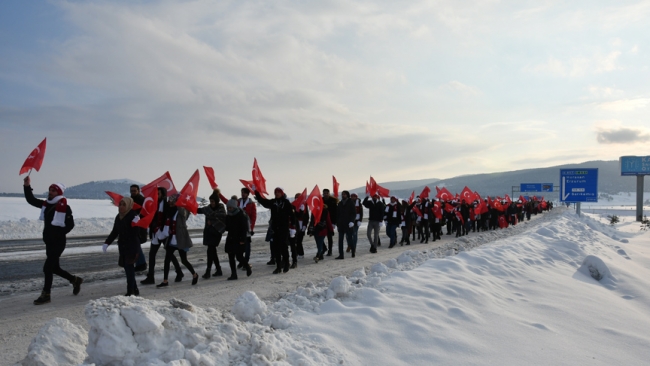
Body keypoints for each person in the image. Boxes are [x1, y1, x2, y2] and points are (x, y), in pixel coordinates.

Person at [23, 176, 82, 305]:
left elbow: (70, 225)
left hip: (58, 242)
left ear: (59, 192)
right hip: (49, 242)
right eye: (50, 190)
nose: (50, 192)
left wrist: (58, 233)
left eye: (53, 191)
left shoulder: (64, 206)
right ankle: (75, 280)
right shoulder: (46, 204)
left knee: (47, 268)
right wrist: (27, 186)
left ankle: (46, 294)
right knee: (54, 268)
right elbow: (31, 200)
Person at [140, 187, 181, 285]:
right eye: (156, 193)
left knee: (169, 255)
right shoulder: (152, 204)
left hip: (164, 232)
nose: (157, 195)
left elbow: (170, 214)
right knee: (152, 255)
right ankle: (151, 277)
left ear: (163, 194)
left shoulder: (166, 204)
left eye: (159, 193)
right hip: (155, 233)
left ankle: (179, 272)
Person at [156, 195, 199, 287]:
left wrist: (179, 204)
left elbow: (183, 213)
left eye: (172, 201)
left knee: (184, 260)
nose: (170, 203)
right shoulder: (170, 212)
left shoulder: (183, 211)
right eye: (169, 201)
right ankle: (165, 281)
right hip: (172, 239)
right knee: (167, 260)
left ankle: (194, 275)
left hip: (181, 240)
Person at [102, 197, 142, 296]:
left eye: (124, 205)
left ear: (129, 205)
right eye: (120, 204)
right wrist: (107, 242)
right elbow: (115, 231)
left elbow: (136, 233)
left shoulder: (133, 215)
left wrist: (137, 224)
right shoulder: (119, 216)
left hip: (132, 246)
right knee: (128, 269)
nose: (121, 207)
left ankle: (130, 291)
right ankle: (135, 289)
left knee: (129, 269)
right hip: (123, 246)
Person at [255, 187, 296, 274]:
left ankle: (286, 263)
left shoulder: (286, 202)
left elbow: (292, 215)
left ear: (282, 193)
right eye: (275, 192)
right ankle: (278, 267)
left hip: (283, 228)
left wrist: (293, 226)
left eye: (278, 192)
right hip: (275, 228)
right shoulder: (273, 202)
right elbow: (263, 202)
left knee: (283, 247)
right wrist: (256, 192)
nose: (277, 194)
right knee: (276, 248)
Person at [196, 189, 226, 279]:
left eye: (213, 201)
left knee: (210, 251)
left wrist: (212, 223)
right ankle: (218, 269)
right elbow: (199, 210)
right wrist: (189, 206)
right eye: (210, 201)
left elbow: (223, 219)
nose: (211, 203)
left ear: (217, 201)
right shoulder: (208, 209)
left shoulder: (221, 209)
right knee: (212, 251)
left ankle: (208, 271)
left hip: (217, 232)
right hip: (209, 232)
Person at [224, 199, 252, 280]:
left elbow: (244, 228)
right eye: (228, 208)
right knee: (231, 256)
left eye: (230, 208)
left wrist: (243, 239)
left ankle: (247, 266)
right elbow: (227, 227)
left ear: (234, 207)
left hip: (239, 239)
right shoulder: (228, 216)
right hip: (231, 238)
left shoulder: (241, 215)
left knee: (239, 257)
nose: (229, 209)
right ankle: (234, 274)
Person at [129, 184, 148, 272]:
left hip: (140, 227)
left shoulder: (143, 200)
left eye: (134, 191)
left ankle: (142, 263)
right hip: (132, 226)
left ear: (138, 191)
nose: (133, 192)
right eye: (131, 191)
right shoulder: (130, 200)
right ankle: (140, 263)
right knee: (135, 245)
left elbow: (145, 213)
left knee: (136, 245)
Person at [335, 190, 356, 259]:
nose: (343, 195)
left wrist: (352, 221)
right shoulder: (340, 203)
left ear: (347, 195)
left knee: (350, 239)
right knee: (340, 240)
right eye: (342, 194)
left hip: (348, 224)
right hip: (341, 224)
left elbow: (353, 213)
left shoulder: (350, 202)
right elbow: (337, 214)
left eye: (344, 194)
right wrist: (337, 224)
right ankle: (341, 255)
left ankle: (353, 251)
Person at [322, 189, 338, 256]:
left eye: (326, 193)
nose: (325, 194)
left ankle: (330, 250)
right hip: (322, 220)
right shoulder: (321, 200)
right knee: (320, 236)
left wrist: (334, 222)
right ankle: (324, 248)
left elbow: (336, 212)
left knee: (329, 236)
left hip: (330, 220)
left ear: (329, 193)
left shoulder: (333, 201)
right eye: (324, 193)